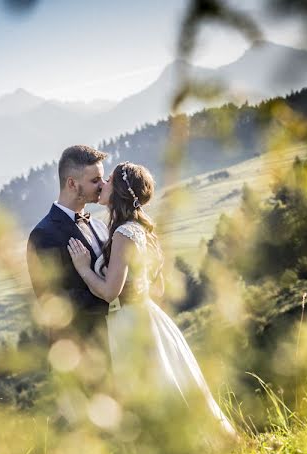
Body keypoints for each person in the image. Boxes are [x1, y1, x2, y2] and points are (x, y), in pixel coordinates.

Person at [66, 161, 236, 436]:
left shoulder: (123, 233)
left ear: (119, 190)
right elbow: (156, 288)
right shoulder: (135, 229)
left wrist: (84, 269)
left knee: (151, 389)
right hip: (145, 316)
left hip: (131, 323)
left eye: (108, 180)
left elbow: (110, 291)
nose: (102, 185)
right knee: (165, 384)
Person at [26, 145, 111, 382]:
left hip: (114, 345)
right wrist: (113, 296)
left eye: (103, 178)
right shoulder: (43, 235)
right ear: (72, 184)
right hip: (80, 357)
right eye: (95, 180)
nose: (103, 185)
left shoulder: (99, 224)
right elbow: (54, 301)